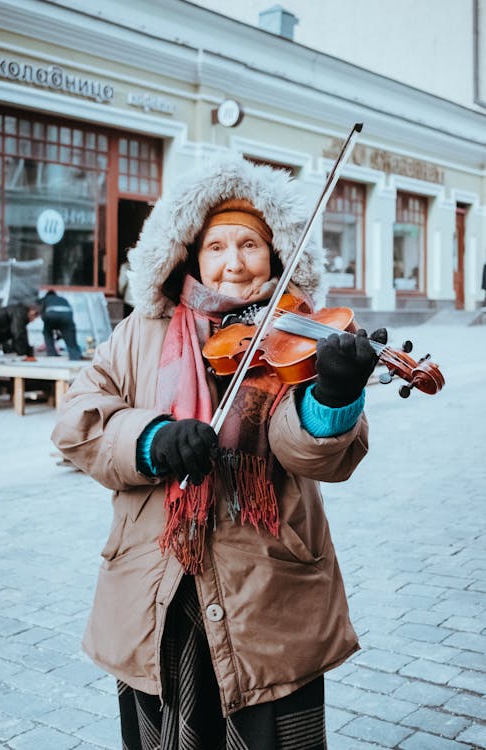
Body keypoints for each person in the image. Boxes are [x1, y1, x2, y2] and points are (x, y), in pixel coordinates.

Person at [52, 156, 384, 750]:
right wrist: (152, 439)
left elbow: (319, 457)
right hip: (157, 583)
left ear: (276, 255)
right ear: (190, 255)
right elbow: (78, 421)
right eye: (217, 246)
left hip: (267, 586)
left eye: (251, 244)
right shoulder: (141, 332)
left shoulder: (297, 336)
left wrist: (332, 397)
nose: (233, 262)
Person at [39, 290, 82, 360]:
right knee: (70, 337)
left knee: (47, 331)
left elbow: (41, 312)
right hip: (67, 316)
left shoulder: (45, 299)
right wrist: (64, 330)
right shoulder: (62, 299)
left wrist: (47, 323)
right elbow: (70, 312)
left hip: (51, 315)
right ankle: (75, 356)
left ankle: (51, 353)